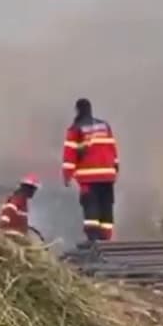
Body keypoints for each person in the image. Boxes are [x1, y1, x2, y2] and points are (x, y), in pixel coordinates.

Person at [62, 98, 119, 242]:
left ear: (77, 110)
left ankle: (93, 240)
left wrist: (67, 176)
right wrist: (115, 168)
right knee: (106, 206)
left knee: (91, 207)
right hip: (108, 176)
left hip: (89, 178)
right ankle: (106, 239)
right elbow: (112, 148)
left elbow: (70, 155)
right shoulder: (104, 126)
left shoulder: (76, 129)